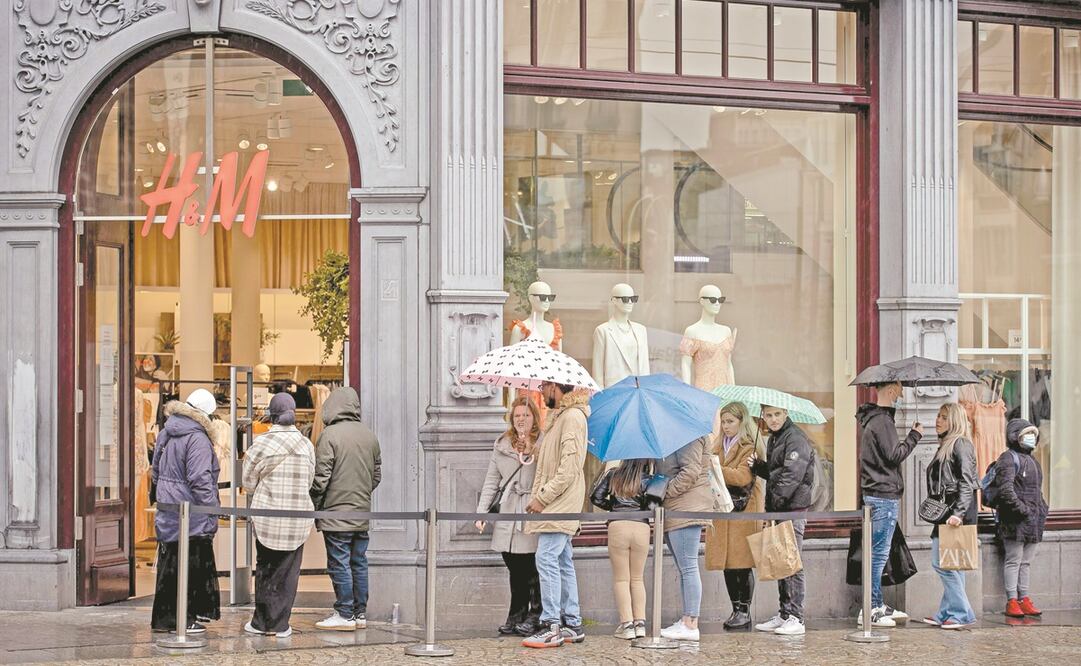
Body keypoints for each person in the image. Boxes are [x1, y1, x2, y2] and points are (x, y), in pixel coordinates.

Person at [150, 388, 225, 634]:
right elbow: (200, 479)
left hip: (169, 509)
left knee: (170, 564)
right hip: (191, 513)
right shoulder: (198, 439)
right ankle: (184, 618)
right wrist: (212, 510)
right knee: (190, 566)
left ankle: (166, 618)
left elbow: (156, 470)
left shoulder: (167, 432)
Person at [521, 381, 590, 649]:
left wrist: (542, 497)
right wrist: (532, 446)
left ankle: (551, 624)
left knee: (546, 557)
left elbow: (568, 469)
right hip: (559, 501)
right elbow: (552, 458)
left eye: (544, 385)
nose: (540, 390)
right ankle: (572, 623)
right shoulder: (560, 417)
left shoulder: (572, 417)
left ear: (555, 386)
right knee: (562, 560)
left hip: (560, 501)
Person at [242, 393, 316, 638]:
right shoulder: (306, 445)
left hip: (267, 518)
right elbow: (310, 480)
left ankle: (262, 622)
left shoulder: (261, 443)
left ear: (271, 414)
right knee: (289, 571)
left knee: (265, 567)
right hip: (297, 518)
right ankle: (281, 623)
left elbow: (248, 482)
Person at [310, 387, 382, 631]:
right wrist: (360, 494)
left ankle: (344, 612)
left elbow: (321, 478)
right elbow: (376, 475)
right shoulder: (369, 435)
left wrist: (316, 503)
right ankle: (359, 613)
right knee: (358, 562)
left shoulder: (329, 435)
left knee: (339, 562)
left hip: (335, 513)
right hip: (361, 512)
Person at [475, 397, 544, 636]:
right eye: (517, 416)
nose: (521, 420)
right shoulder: (502, 444)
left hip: (531, 508)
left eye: (526, 415)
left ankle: (535, 615)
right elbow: (492, 481)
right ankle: (516, 614)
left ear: (534, 417)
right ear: (511, 419)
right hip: (508, 509)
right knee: (513, 564)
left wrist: (532, 449)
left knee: (531, 565)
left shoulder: (542, 442)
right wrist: (482, 512)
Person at [857, 382, 923, 627]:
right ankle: (871, 608)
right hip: (883, 495)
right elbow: (894, 455)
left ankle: (875, 603)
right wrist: (915, 436)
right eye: (900, 387)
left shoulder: (875, 419)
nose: (903, 392)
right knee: (878, 555)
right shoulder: (882, 421)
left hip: (878, 493)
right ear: (892, 390)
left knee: (877, 553)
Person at [749, 405, 816, 636]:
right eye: (769, 415)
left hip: (792, 508)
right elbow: (777, 471)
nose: (773, 419)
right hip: (780, 508)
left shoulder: (795, 438)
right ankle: (785, 613)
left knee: (792, 562)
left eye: (777, 414)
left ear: (786, 413)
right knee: (781, 561)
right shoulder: (775, 438)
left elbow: (791, 476)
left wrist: (774, 504)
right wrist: (759, 467)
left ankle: (796, 617)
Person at [704, 402, 764, 631]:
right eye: (724, 422)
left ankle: (744, 610)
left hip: (744, 511)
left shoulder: (748, 447)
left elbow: (742, 477)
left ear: (741, 422)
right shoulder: (717, 445)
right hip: (722, 510)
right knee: (727, 564)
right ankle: (735, 608)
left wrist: (716, 467)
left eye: (731, 421)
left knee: (742, 563)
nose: (726, 426)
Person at [922, 402, 979, 629]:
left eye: (944, 417)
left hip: (955, 512)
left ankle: (961, 612)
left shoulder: (961, 444)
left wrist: (958, 514)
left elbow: (967, 482)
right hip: (947, 511)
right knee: (951, 564)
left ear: (954, 421)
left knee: (941, 564)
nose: (938, 420)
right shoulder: (946, 444)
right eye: (938, 416)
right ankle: (947, 612)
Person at [590, 458, 660, 640]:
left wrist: (613, 508)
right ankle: (640, 624)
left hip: (618, 526)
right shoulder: (649, 479)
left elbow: (595, 497)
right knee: (637, 578)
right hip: (641, 527)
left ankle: (627, 625)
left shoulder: (613, 475)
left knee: (621, 579)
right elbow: (654, 506)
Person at [654, 435, 713, 642]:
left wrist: (664, 491)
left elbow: (690, 471)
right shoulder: (675, 432)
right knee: (684, 567)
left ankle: (691, 624)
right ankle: (687, 619)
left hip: (687, 506)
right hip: (677, 508)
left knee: (688, 566)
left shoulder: (687, 434)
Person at [996, 418, 1049, 619]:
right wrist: (1024, 510)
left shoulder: (1033, 461)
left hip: (1033, 521)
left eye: (1033, 435)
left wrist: (1042, 510)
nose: (1031, 438)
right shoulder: (1008, 458)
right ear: (1015, 437)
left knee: (1026, 562)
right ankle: (1011, 600)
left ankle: (1024, 598)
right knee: (1014, 560)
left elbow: (1037, 491)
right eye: (1027, 434)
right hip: (1015, 521)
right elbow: (1006, 489)